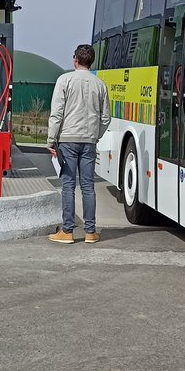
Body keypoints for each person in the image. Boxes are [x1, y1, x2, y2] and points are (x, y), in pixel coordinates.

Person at [45, 43, 111, 245]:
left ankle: (67, 231)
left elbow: (57, 114)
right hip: (89, 141)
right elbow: (106, 117)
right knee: (88, 186)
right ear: (91, 62)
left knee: (68, 186)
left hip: (67, 140)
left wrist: (50, 139)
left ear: (75, 60)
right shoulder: (99, 85)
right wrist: (95, 136)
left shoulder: (64, 80)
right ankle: (90, 232)